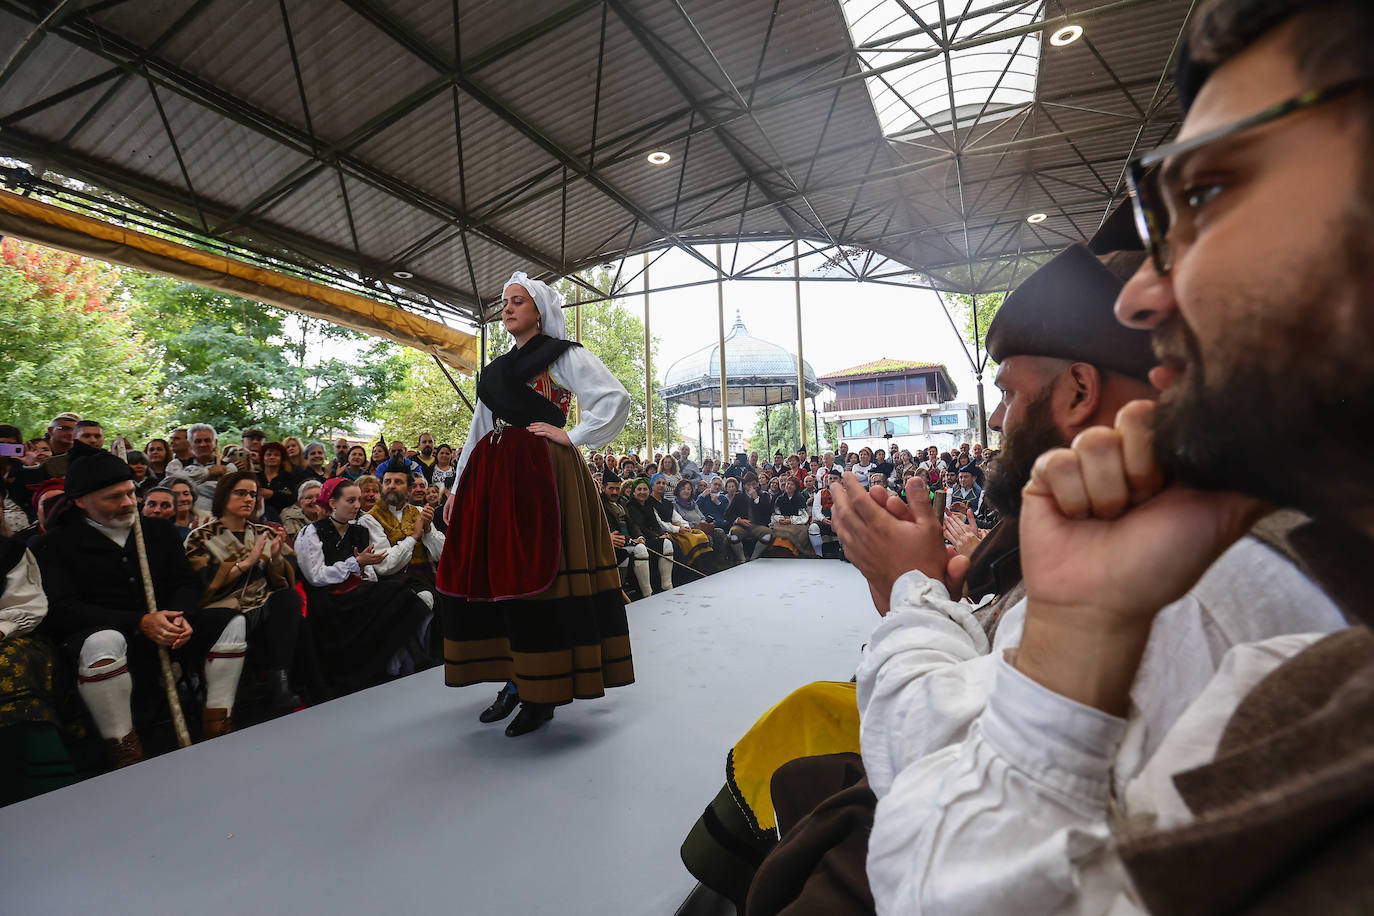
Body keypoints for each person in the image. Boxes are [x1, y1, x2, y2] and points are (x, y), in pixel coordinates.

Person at [438, 271, 632, 738]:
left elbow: (613, 398)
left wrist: (573, 435)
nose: (507, 308)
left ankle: (540, 691)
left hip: (545, 473)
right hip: (496, 477)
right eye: (504, 301)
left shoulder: (564, 355)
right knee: (502, 575)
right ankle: (515, 678)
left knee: (542, 576)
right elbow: (479, 430)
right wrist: (459, 487)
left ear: (539, 312)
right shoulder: (495, 372)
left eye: (518, 301)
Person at [31, 453, 247, 768]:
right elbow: (62, 610)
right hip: (106, 639)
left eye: (131, 492)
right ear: (80, 501)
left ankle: (218, 723)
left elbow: (186, 583)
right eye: (114, 497)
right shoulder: (53, 544)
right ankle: (123, 747)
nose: (128, 502)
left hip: (171, 631)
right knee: (102, 641)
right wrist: (139, 623)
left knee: (231, 623)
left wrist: (178, 616)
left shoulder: (157, 531)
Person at [183, 472, 313, 716]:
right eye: (241, 493)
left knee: (289, 600)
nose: (248, 499)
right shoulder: (200, 536)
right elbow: (200, 583)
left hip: (264, 607)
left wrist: (275, 559)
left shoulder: (266, 532)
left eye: (253, 494)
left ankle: (280, 684)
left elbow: (285, 579)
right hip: (223, 610)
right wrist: (246, 563)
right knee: (296, 624)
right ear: (224, 496)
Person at [294, 478, 434, 695]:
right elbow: (316, 576)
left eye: (358, 500)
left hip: (357, 590)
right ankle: (412, 661)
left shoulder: (359, 530)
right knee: (394, 592)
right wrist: (355, 563)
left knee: (399, 593)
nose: (357, 506)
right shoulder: (311, 533)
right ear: (333, 503)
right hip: (328, 597)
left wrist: (362, 570)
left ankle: (408, 660)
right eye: (350, 500)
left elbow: (370, 573)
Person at [359, 461, 445, 614]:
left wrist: (427, 529)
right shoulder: (369, 519)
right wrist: (414, 537)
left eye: (398, 482)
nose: (391, 486)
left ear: (409, 490)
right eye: (387, 482)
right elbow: (384, 565)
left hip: (426, 580)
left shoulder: (419, 511)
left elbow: (441, 554)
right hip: (391, 588)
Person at [624, 477, 679, 592]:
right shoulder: (630, 506)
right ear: (634, 492)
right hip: (641, 539)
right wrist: (657, 537)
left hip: (652, 536)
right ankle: (647, 592)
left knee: (669, 543)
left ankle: (667, 585)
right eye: (639, 489)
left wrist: (662, 533)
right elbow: (639, 527)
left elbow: (655, 523)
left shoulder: (648, 505)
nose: (642, 492)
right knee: (665, 543)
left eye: (645, 489)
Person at [164, 423, 233, 511]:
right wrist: (208, 473)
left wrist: (189, 485)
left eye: (207, 440)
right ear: (190, 444)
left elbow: (227, 494)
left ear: (215, 443)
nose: (203, 445)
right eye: (198, 441)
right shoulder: (175, 465)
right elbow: (169, 489)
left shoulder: (228, 467)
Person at [727, 473, 774, 562]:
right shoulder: (738, 496)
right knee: (733, 534)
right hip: (741, 526)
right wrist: (739, 520)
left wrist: (756, 499)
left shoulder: (764, 496)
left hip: (757, 525)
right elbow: (728, 514)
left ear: (757, 484)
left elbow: (767, 513)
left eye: (753, 484)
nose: (751, 487)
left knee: (768, 534)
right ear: (744, 486)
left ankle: (754, 557)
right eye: (748, 485)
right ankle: (741, 558)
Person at [256, 441, 297, 523]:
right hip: (257, 516)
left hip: (283, 517)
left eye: (276, 455)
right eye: (268, 455)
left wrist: (272, 494)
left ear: (282, 458)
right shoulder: (255, 477)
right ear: (263, 458)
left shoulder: (289, 477)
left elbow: (292, 497)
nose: (272, 457)